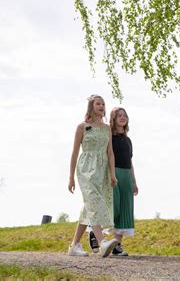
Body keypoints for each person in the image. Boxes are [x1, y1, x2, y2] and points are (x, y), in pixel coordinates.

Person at [67, 94, 119, 257]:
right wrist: (71, 177)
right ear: (91, 107)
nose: (102, 106)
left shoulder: (107, 128)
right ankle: (102, 241)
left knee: (89, 206)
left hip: (102, 170)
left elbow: (110, 152)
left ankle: (74, 245)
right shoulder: (82, 127)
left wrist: (113, 174)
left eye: (103, 104)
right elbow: (75, 152)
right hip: (85, 168)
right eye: (98, 103)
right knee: (93, 199)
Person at [89, 107, 138, 256]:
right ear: (113, 119)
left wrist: (134, 181)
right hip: (113, 173)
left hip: (126, 176)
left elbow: (130, 162)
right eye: (119, 116)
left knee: (124, 210)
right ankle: (94, 231)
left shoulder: (128, 140)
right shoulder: (109, 136)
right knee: (113, 207)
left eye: (125, 115)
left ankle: (117, 245)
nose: (123, 117)